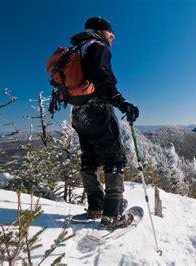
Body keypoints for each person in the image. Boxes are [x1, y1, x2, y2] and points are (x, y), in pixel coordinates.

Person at [70, 16, 139, 229]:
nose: (113, 36)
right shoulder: (97, 47)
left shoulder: (76, 51)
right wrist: (121, 102)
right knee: (114, 159)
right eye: (110, 32)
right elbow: (102, 78)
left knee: (89, 158)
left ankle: (96, 207)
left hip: (79, 113)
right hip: (98, 111)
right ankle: (112, 215)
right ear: (100, 31)